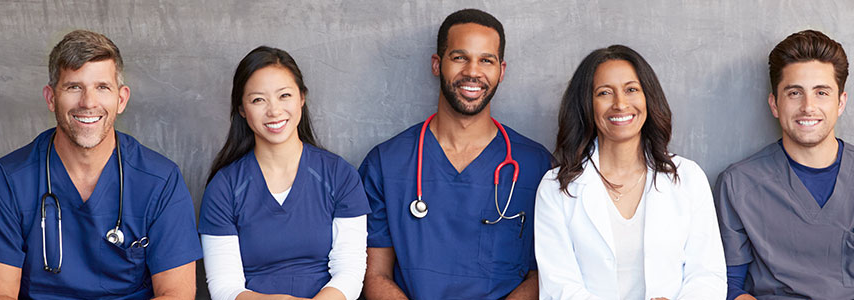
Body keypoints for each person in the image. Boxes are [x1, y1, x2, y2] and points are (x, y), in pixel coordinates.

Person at [0, 29, 201, 299]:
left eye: (102, 87)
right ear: (51, 98)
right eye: (74, 87)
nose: (88, 103)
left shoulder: (160, 179)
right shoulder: (10, 178)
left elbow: (176, 295)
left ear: (121, 99)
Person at [359, 8, 552, 300]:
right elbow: (375, 275)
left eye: (486, 60)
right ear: (437, 64)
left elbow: (547, 275)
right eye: (460, 57)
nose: (472, 71)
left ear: (501, 70)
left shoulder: (536, 165)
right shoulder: (386, 164)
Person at [714, 30, 854, 300]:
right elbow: (727, 281)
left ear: (841, 102)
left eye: (821, 92)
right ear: (775, 104)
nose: (808, 107)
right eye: (794, 93)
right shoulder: (739, 184)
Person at [534, 45, 727, 299]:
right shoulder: (556, 187)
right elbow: (559, 286)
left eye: (631, 90)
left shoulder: (688, 178)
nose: (620, 104)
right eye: (604, 93)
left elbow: (707, 275)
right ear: (586, 105)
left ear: (648, 97)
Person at [198, 46, 369, 300]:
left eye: (284, 95)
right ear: (242, 109)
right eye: (258, 99)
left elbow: (350, 273)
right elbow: (225, 287)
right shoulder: (224, 187)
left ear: (302, 98)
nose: (274, 111)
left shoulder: (339, 175)